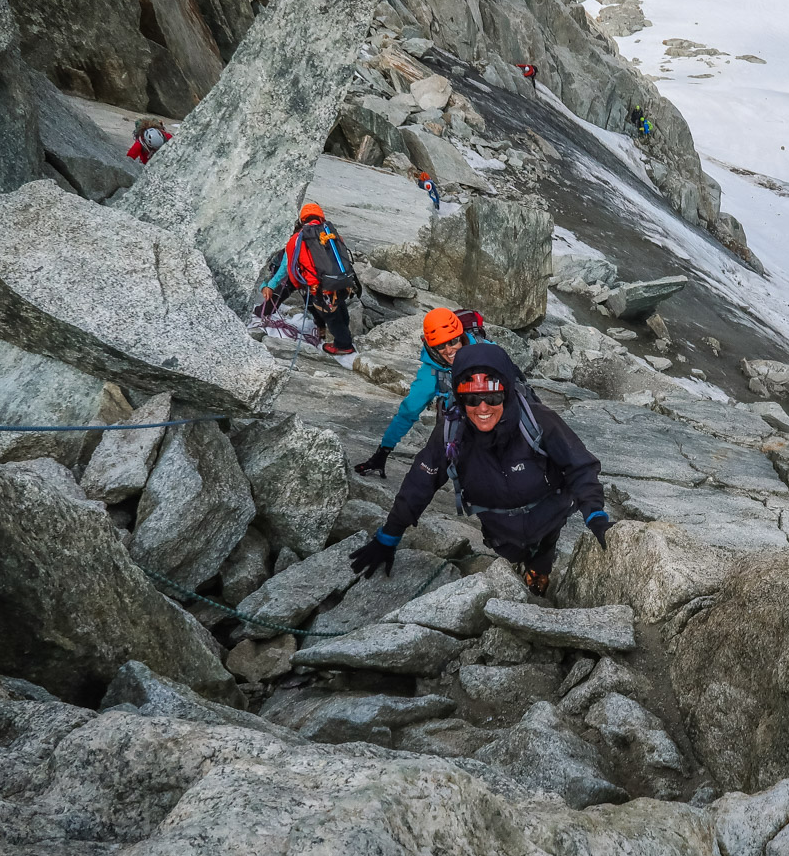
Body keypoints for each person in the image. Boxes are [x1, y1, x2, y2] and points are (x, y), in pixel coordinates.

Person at [349, 343, 613, 595]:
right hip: (500, 531)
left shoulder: (539, 421)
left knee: (544, 549)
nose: (482, 407)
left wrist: (595, 514)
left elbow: (580, 466)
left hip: (549, 516)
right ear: (459, 398)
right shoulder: (451, 433)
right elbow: (420, 483)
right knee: (512, 553)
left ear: (507, 392)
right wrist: (389, 535)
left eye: (492, 396)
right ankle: (526, 566)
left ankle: (538, 571)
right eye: (472, 398)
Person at [352, 306, 488, 479]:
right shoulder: (431, 374)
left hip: (492, 418)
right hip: (455, 425)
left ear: (461, 336)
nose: (449, 350)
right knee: (424, 476)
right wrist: (383, 452)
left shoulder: (484, 349)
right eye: (440, 345)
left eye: (453, 341)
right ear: (431, 346)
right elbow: (408, 412)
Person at [258, 202, 361, 356]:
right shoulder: (331, 233)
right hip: (342, 280)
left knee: (329, 314)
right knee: (339, 307)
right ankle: (338, 337)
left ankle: (343, 345)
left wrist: (300, 285)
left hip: (319, 285)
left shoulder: (297, 238)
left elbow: (289, 267)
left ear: (302, 219)